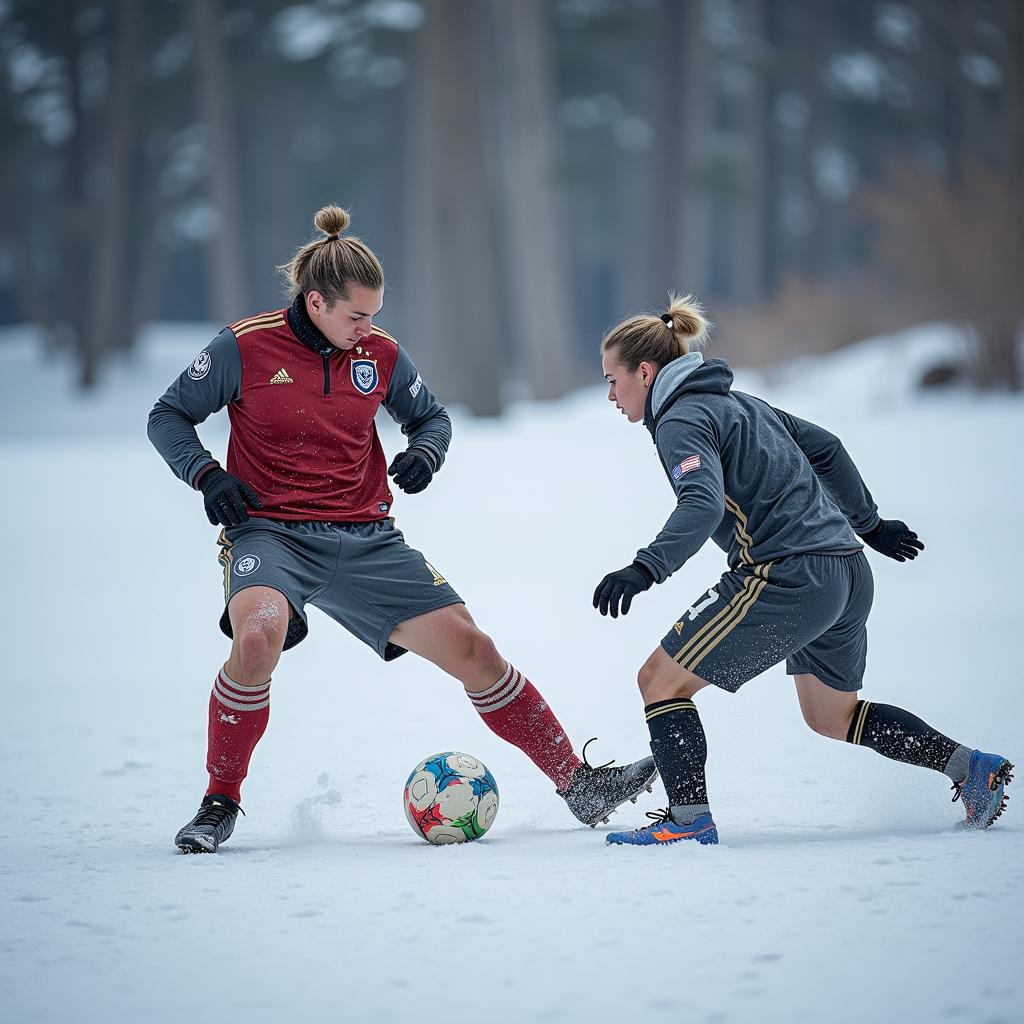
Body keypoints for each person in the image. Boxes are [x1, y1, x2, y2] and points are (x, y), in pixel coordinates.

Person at [149, 205, 656, 853]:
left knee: (477, 651)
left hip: (368, 540)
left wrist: (426, 452)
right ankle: (219, 802)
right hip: (270, 535)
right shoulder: (243, 346)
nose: (369, 329)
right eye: (357, 316)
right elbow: (167, 415)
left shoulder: (380, 355)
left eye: (376, 315)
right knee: (256, 637)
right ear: (316, 302)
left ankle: (579, 786)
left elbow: (432, 419)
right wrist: (206, 475)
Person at [591, 293, 1012, 846]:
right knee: (830, 715)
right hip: (847, 570)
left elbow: (702, 504)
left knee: (659, 682)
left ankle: (688, 821)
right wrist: (869, 525)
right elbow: (828, 449)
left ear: (645, 373)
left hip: (786, 575)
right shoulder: (742, 404)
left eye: (612, 379)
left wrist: (645, 568)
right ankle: (969, 768)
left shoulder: (681, 420)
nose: (610, 394)